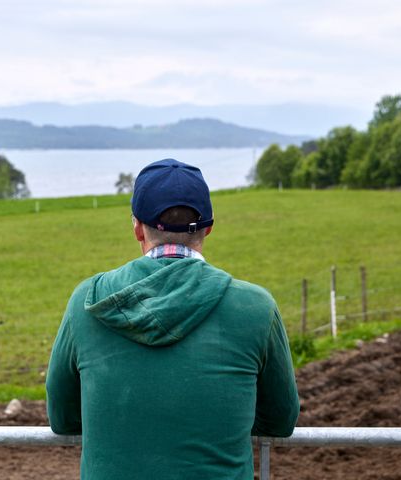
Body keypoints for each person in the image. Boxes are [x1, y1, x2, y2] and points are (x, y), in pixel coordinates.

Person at [46, 158, 299, 479]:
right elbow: (280, 420)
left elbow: (63, 418)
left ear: (137, 227)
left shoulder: (87, 300)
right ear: (208, 227)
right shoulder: (256, 307)